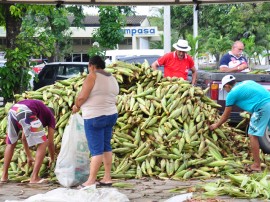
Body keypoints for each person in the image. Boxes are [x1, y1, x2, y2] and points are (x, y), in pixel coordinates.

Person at [72, 55, 119, 187]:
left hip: (95, 116)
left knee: (96, 150)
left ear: (92, 66)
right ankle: (107, 177)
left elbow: (82, 97)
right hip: (111, 115)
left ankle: (91, 180)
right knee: (106, 146)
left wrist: (76, 106)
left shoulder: (92, 76)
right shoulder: (112, 77)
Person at [209, 75, 270, 172]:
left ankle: (257, 165)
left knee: (252, 135)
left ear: (228, 86)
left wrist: (216, 125)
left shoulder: (232, 94)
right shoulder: (247, 82)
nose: (225, 90)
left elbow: (225, 116)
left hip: (262, 108)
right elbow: (255, 95)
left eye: (224, 88)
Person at [1, 99, 55, 184]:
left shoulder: (39, 111)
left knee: (11, 144)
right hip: (25, 110)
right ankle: (34, 177)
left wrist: (29, 156)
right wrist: (52, 158)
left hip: (13, 110)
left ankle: (4, 176)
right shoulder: (51, 117)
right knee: (44, 142)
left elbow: (23, 138)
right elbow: (51, 142)